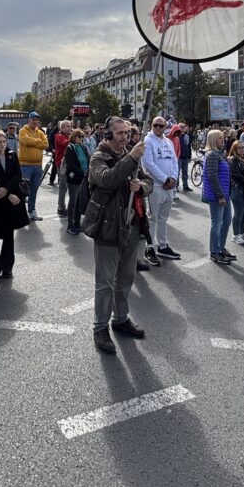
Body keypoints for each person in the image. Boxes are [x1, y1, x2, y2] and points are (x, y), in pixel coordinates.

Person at [85, 117, 152, 354]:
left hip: (132, 225)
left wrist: (141, 187)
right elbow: (108, 180)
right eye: (120, 133)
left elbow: (148, 180)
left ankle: (121, 318)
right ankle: (100, 327)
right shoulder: (98, 157)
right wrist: (131, 157)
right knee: (105, 283)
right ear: (108, 134)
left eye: (126, 132)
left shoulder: (129, 155)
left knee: (125, 278)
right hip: (108, 227)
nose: (124, 136)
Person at [0, 129, 29, 279]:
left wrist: (8, 190)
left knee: (9, 236)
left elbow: (18, 175)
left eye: (4, 142)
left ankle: (7, 267)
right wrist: (5, 192)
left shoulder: (12, 155)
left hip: (9, 201)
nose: (3, 145)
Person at [142, 115, 181, 259]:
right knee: (152, 218)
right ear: (151, 125)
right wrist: (165, 179)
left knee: (163, 218)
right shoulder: (147, 141)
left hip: (169, 186)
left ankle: (163, 245)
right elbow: (148, 164)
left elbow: (174, 161)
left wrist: (173, 178)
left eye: (161, 125)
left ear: (166, 127)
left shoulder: (168, 142)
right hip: (156, 186)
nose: (157, 128)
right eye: (155, 125)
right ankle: (149, 247)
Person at [201, 129, 235, 265]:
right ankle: (215, 252)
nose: (224, 140)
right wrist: (220, 195)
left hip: (225, 194)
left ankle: (220, 248)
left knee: (226, 222)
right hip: (217, 196)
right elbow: (212, 176)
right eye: (220, 138)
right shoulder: (212, 155)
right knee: (217, 223)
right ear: (214, 140)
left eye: (223, 137)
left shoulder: (219, 154)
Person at [18, 112, 48, 221]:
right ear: (29, 120)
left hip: (38, 165)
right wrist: (38, 141)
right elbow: (24, 141)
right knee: (23, 191)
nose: (35, 121)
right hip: (25, 165)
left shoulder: (40, 132)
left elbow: (46, 144)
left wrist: (33, 142)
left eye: (37, 120)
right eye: (33, 119)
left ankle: (31, 211)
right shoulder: (22, 131)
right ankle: (20, 212)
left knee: (34, 190)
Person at [64, 128, 90, 235]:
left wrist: (87, 171)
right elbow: (70, 165)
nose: (82, 138)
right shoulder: (70, 148)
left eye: (83, 136)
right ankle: (70, 225)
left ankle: (78, 224)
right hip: (74, 178)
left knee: (79, 202)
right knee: (73, 202)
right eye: (80, 136)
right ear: (74, 137)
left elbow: (88, 160)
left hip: (83, 178)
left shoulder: (83, 147)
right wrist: (81, 172)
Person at [54, 120, 73, 216]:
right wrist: (75, 136)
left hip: (69, 164)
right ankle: (61, 208)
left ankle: (66, 207)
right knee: (63, 187)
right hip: (62, 165)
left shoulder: (67, 135)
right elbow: (67, 143)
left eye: (70, 126)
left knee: (70, 187)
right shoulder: (59, 136)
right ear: (62, 128)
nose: (70, 128)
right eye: (68, 126)